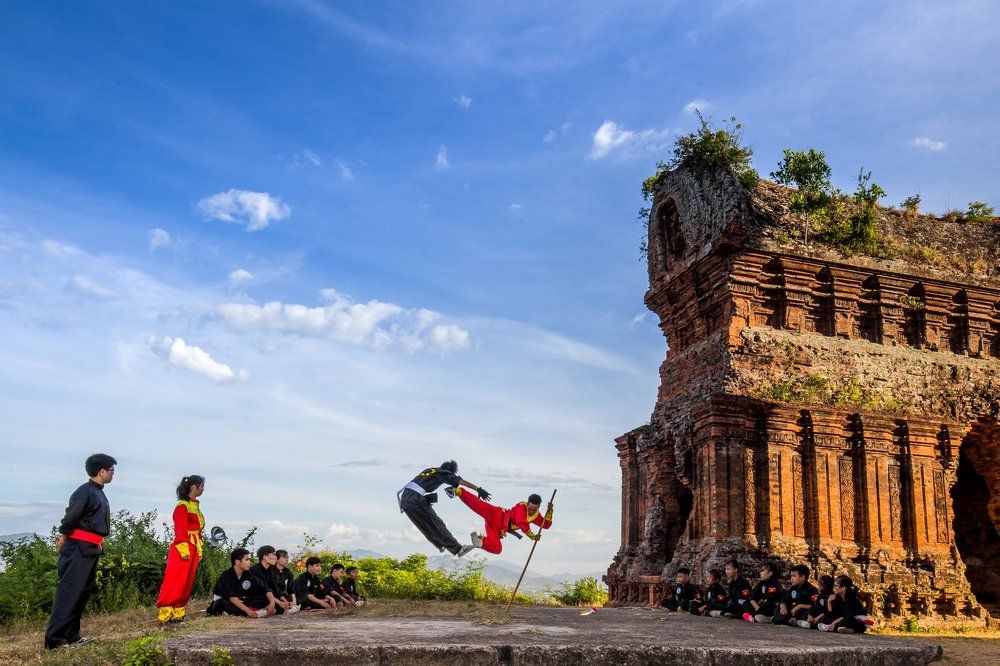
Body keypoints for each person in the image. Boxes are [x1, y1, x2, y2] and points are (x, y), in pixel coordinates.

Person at [44, 453, 116, 650]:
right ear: (101, 471)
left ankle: (71, 635)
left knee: (82, 594)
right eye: (111, 470)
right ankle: (54, 640)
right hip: (76, 549)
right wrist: (63, 537)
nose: (113, 474)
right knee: (68, 593)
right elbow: (70, 519)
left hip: (91, 549)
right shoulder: (84, 492)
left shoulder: (99, 492)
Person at [397, 461, 490, 557]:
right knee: (436, 523)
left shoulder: (430, 470)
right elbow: (460, 481)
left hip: (404, 499)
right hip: (415, 499)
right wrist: (478, 489)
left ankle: (439, 544)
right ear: (450, 471)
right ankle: (458, 549)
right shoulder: (443, 473)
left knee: (422, 524)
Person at [155, 475, 206, 623]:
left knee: (187, 581)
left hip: (193, 547)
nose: (203, 489)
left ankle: (178, 612)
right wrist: (184, 550)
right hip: (182, 548)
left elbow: (198, 531)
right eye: (201, 486)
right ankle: (165, 613)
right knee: (175, 580)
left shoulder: (195, 505)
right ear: (194, 487)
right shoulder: (182, 505)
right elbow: (180, 529)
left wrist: (199, 550)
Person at [452, 488, 553, 555]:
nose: (531, 511)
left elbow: (546, 524)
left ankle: (479, 542)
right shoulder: (521, 507)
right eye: (530, 508)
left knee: (497, 549)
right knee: (477, 504)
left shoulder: (536, 516)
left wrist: (550, 511)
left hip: (497, 529)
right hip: (497, 515)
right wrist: (532, 536)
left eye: (534, 510)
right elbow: (521, 522)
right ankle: (458, 490)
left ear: (539, 507)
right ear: (527, 504)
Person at [207, 548, 275, 617]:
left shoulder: (247, 574)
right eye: (246, 559)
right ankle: (255, 613)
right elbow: (232, 598)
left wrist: (272, 603)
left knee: (265, 599)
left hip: (241, 601)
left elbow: (265, 588)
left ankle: (255, 612)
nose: (249, 562)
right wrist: (249, 612)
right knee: (221, 603)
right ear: (237, 562)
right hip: (226, 602)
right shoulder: (226, 576)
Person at [250, 546, 297, 615]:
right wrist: (279, 603)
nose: (275, 557)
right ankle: (260, 612)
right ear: (265, 557)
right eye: (273, 554)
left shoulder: (270, 570)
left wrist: (285, 601)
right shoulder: (254, 570)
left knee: (284, 604)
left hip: (269, 597)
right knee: (274, 604)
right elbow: (264, 589)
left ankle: (266, 612)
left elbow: (275, 589)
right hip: (257, 598)